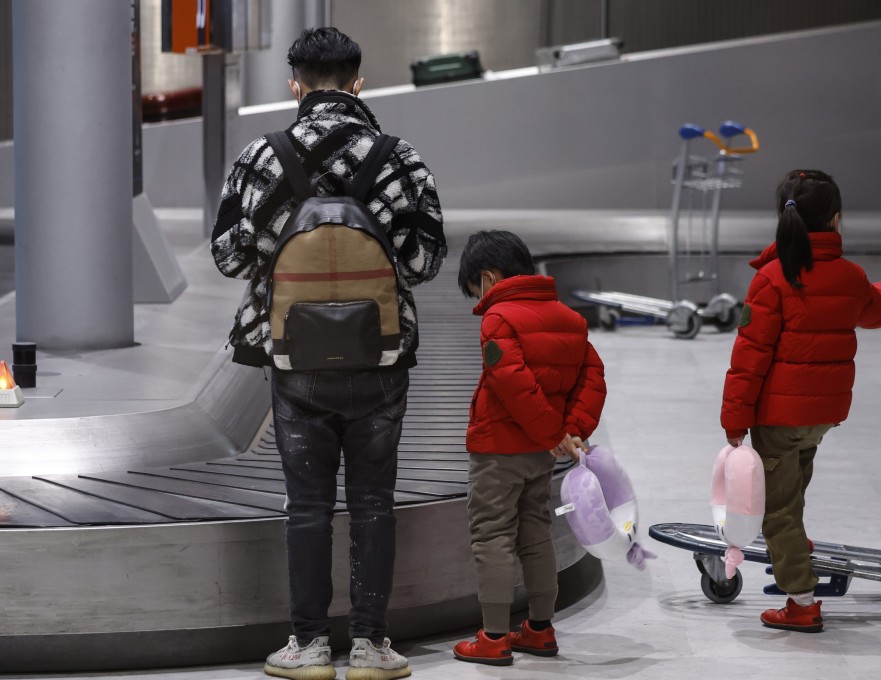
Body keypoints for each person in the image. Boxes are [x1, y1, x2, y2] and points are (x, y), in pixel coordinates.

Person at [211, 27, 446, 680]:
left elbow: (227, 255)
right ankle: (372, 647)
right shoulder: (400, 157)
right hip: (382, 358)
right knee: (374, 501)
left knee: (308, 506)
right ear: (358, 83)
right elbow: (425, 261)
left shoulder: (262, 156)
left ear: (296, 85)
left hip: (294, 362)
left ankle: (308, 646)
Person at [720, 169, 881, 633]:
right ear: (836, 220)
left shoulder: (773, 279)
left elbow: (748, 357)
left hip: (779, 418)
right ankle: (796, 544)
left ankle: (801, 603)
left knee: (776, 511)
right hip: (822, 415)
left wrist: (734, 420)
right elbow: (875, 310)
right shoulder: (851, 276)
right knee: (792, 489)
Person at [452, 230, 607, 665]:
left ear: (488, 276)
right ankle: (540, 628)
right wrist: (571, 431)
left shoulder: (498, 319)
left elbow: (512, 384)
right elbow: (593, 378)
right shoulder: (569, 318)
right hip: (542, 455)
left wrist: (554, 433)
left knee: (493, 536)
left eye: (474, 290)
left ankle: (495, 636)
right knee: (536, 532)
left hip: (499, 449)